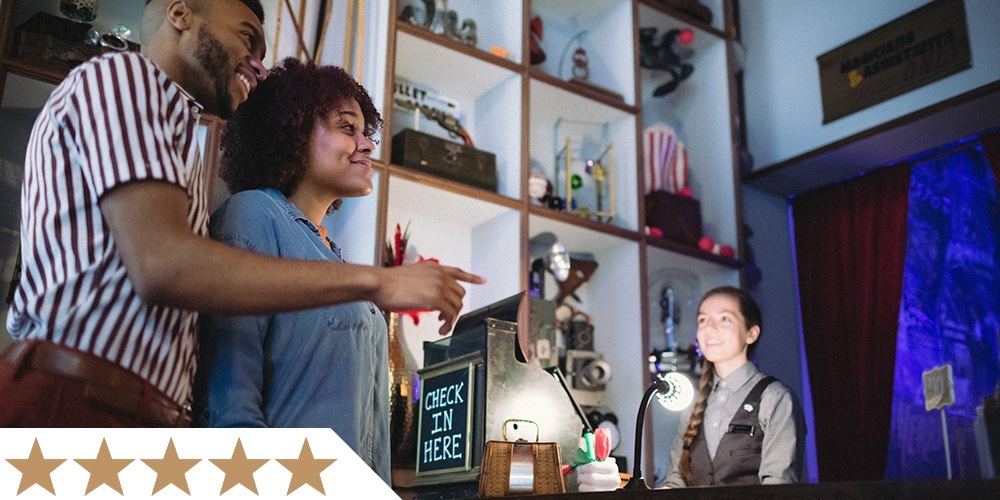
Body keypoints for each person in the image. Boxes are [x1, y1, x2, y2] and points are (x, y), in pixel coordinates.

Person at [1, 0, 482, 428]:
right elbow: (164, 266)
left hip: (125, 414)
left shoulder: (174, 133)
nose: (256, 62)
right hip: (74, 402)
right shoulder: (126, 79)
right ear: (180, 12)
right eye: (246, 35)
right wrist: (379, 281)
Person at [191, 59, 392, 482]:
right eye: (347, 128)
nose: (368, 145)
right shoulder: (253, 215)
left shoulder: (329, 254)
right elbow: (230, 396)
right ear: (295, 133)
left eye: (365, 132)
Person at [662, 286, 804, 487]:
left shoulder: (775, 398)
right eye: (703, 320)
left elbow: (778, 486)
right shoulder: (693, 404)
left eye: (724, 319)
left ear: (751, 334)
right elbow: (675, 482)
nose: (709, 328)